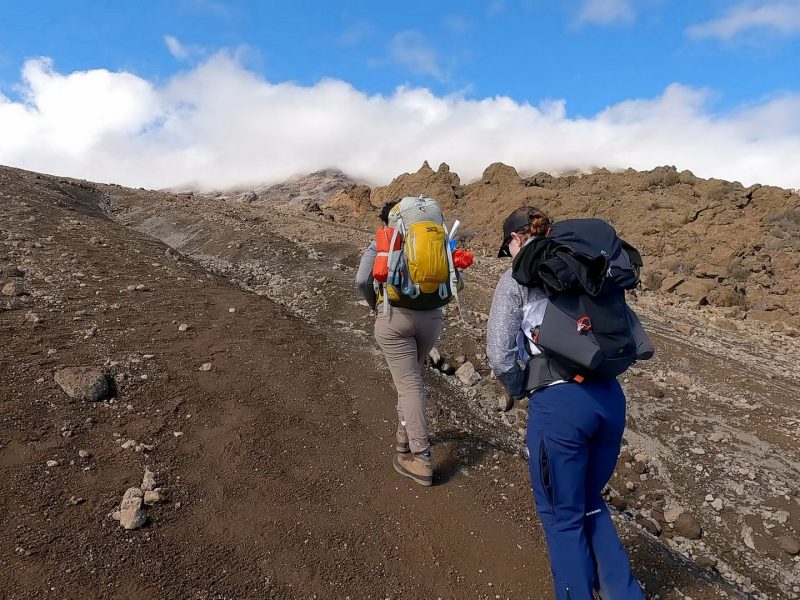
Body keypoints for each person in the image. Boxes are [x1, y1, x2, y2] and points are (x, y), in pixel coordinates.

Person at [487, 207, 645, 600]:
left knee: (562, 518)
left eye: (509, 247)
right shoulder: (591, 263)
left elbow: (500, 355)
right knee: (589, 502)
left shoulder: (518, 277)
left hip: (561, 408)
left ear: (516, 240)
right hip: (609, 398)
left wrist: (522, 386)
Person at [355, 200, 444, 487]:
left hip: (395, 318)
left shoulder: (383, 243)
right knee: (412, 380)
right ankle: (403, 437)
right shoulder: (433, 237)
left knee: (409, 384)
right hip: (432, 318)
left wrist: (376, 307)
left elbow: (361, 280)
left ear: (388, 222)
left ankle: (421, 458)